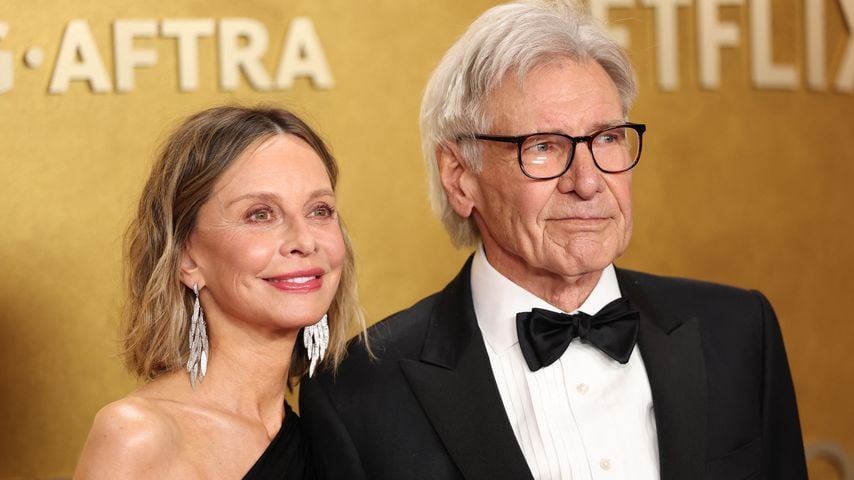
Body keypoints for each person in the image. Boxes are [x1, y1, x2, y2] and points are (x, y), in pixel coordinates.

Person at [299, 1, 807, 479]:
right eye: (543, 147)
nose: (587, 183)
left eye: (607, 138)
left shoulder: (739, 333)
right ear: (459, 177)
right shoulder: (359, 394)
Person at [74, 105, 365, 479]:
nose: (304, 241)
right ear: (186, 257)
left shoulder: (347, 430)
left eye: (319, 211)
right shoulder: (138, 436)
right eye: (261, 214)